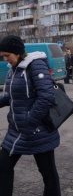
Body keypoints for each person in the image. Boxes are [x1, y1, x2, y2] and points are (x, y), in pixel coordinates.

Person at [0, 35, 61, 196]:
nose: (5, 59)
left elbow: (46, 96)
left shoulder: (36, 66)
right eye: (2, 56)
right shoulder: (13, 70)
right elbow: (10, 96)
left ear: (18, 52)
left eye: (7, 55)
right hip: (16, 131)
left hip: (38, 132)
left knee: (48, 173)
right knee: (3, 167)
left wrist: (29, 121)